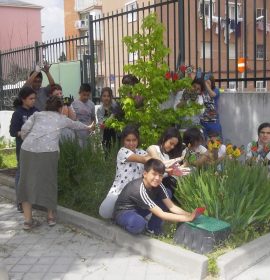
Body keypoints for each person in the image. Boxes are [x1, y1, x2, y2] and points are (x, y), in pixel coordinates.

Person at [17, 96, 95, 230]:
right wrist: (89, 127)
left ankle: (28, 221)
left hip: (27, 150)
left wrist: (26, 139)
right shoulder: (61, 118)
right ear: (60, 108)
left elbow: (24, 129)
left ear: (46, 106)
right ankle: (51, 217)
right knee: (49, 182)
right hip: (48, 152)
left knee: (25, 182)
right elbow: (76, 125)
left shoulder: (37, 115)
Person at [114, 158, 196, 235]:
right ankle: (122, 224)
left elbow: (172, 207)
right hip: (124, 212)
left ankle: (152, 228)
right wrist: (187, 218)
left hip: (140, 208)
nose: (157, 178)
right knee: (138, 224)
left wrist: (189, 214)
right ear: (145, 174)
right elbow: (161, 214)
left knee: (167, 192)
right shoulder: (138, 189)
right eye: (154, 174)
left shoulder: (159, 185)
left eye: (160, 175)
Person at [99, 125, 151, 219]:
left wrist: (167, 167)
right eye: (128, 140)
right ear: (123, 140)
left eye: (134, 140)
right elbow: (145, 160)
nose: (131, 143)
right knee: (105, 213)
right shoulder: (122, 151)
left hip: (136, 193)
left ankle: (129, 214)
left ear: (138, 140)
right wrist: (154, 159)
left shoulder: (141, 152)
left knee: (149, 216)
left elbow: (152, 163)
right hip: (119, 191)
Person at [9, 87, 38, 212]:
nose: (33, 101)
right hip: (23, 148)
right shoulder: (18, 113)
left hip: (35, 147)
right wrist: (24, 133)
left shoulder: (36, 111)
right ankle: (20, 202)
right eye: (31, 99)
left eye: (34, 98)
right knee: (21, 174)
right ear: (23, 99)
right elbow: (12, 132)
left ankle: (32, 200)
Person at [146, 127, 187, 194]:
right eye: (171, 143)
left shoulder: (167, 156)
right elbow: (160, 164)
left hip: (161, 184)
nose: (172, 147)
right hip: (150, 184)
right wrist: (180, 158)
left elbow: (168, 172)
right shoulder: (153, 148)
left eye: (174, 145)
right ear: (164, 138)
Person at [200, 75, 222, 139]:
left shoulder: (216, 90)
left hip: (213, 123)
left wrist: (206, 84)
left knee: (215, 145)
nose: (205, 83)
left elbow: (212, 95)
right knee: (204, 146)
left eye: (208, 81)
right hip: (203, 122)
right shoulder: (202, 91)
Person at [96, 87, 117, 152]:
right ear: (101, 97)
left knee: (115, 152)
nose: (106, 98)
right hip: (105, 135)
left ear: (111, 97)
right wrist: (112, 116)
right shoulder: (99, 110)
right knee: (107, 153)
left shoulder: (114, 106)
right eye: (104, 96)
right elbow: (102, 125)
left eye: (108, 96)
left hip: (115, 133)